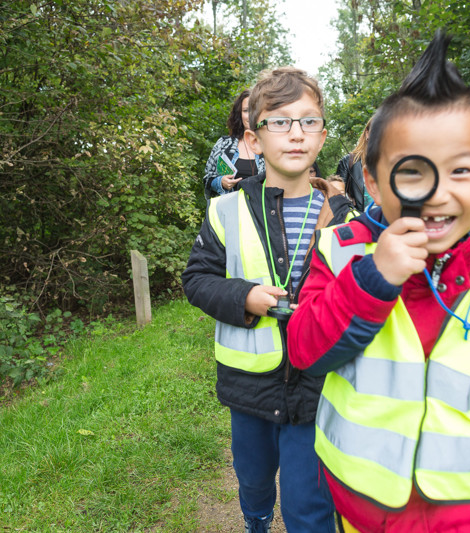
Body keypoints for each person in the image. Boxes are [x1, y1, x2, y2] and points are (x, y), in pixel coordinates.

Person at [287, 30, 470, 533]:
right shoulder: (340, 251)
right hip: (360, 497)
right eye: (413, 172)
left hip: (460, 504)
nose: (437, 195)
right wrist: (372, 278)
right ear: (372, 181)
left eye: (462, 171)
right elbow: (305, 350)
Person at [181, 66, 354, 533]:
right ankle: (256, 520)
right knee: (254, 479)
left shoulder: (346, 219)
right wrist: (243, 295)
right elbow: (196, 278)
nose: (296, 133)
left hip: (318, 386)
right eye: (280, 122)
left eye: (309, 121)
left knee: (308, 503)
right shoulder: (226, 209)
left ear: (321, 136)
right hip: (250, 386)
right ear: (254, 140)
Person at [203, 89, 265, 199]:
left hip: (262, 208)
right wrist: (220, 182)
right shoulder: (224, 144)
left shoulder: (271, 145)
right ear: (239, 114)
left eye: (255, 110)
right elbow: (207, 179)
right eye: (246, 110)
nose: (250, 115)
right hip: (229, 208)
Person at [335, 118, 372, 211]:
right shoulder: (348, 162)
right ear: (367, 134)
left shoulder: (393, 163)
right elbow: (336, 198)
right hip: (358, 217)